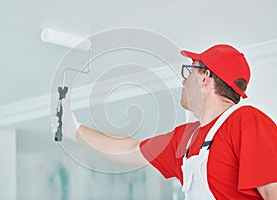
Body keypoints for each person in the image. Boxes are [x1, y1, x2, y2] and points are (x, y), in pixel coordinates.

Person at [53, 44, 277, 199]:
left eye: (189, 71)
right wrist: (74, 130)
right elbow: (131, 149)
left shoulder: (246, 121)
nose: (183, 80)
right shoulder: (186, 139)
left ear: (205, 77)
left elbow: (273, 191)